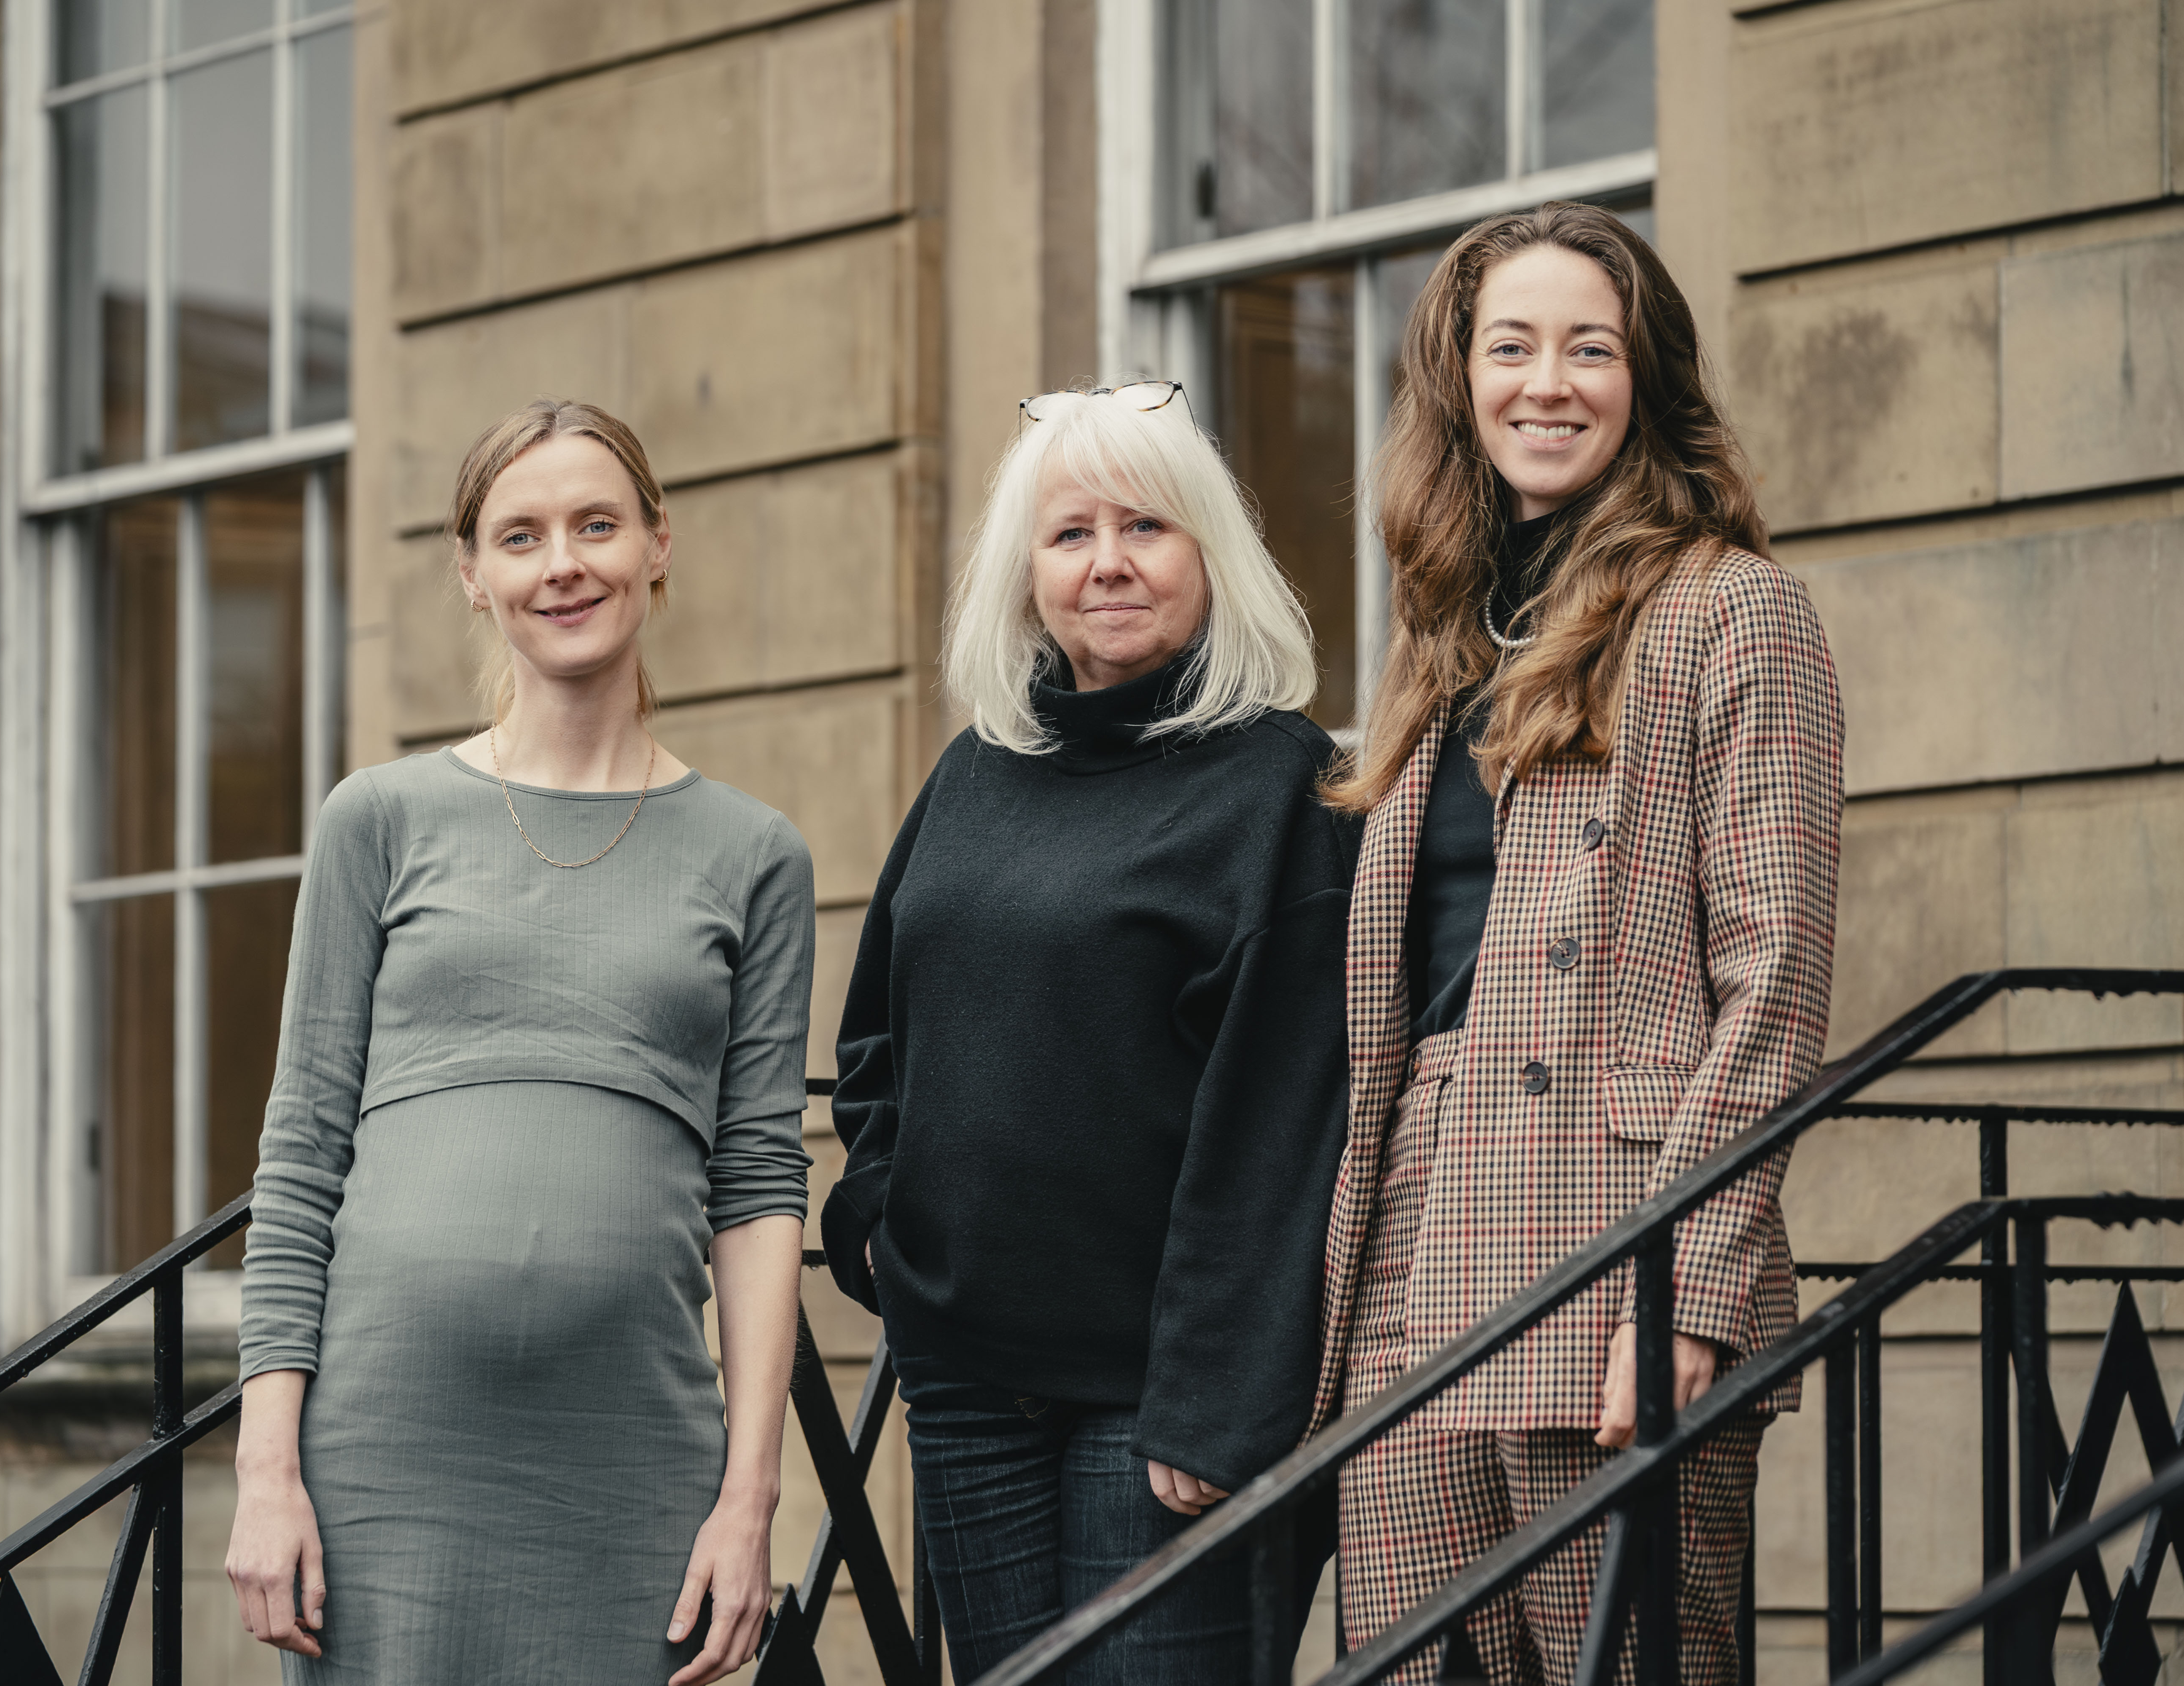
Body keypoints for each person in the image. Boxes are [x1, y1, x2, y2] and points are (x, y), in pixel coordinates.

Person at [1316, 204, 1844, 1683]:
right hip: (1416, 1245)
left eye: (1589, 348)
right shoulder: (1440, 648)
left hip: (1613, 1236)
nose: (1547, 382)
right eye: (1511, 347)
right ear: (1459, 381)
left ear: (1646, 380)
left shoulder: (1736, 613)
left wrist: (1686, 1292)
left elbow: (1774, 983)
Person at [225, 398, 816, 1686]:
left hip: (636, 1460)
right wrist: (266, 1467)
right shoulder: (377, 820)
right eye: (523, 536)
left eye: (597, 525)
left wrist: (750, 1495)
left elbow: (762, 1182)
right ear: (473, 577)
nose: (565, 565)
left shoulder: (755, 855)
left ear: (659, 546)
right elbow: (303, 1149)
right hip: (385, 1462)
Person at [820, 381, 1356, 1683]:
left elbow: (1288, 1123)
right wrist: (877, 1221)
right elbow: (880, 1031)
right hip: (965, 1382)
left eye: (1147, 529)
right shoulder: (975, 773)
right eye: (1070, 535)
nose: (1108, 563)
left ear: (1210, 559)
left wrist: (1219, 1400)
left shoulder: (1282, 784)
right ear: (1027, 575)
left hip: (1159, 1403)